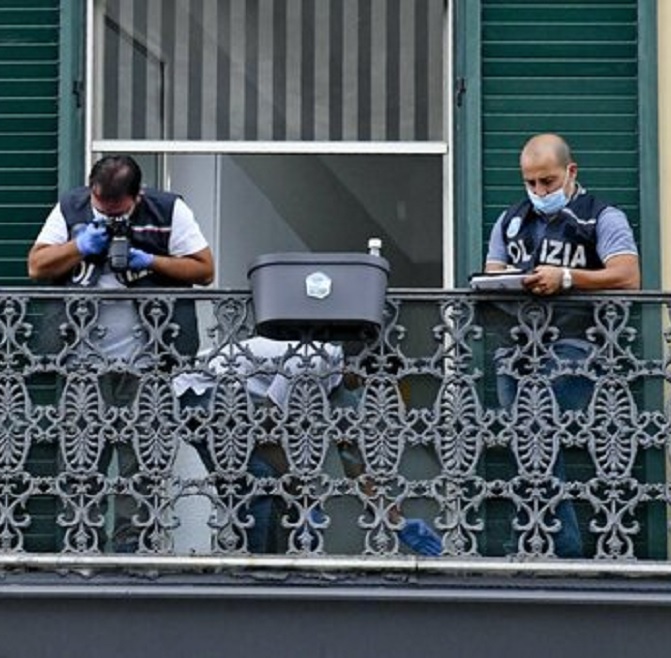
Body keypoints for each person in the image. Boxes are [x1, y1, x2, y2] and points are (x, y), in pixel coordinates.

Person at [28, 154, 214, 552]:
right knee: (80, 462)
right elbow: (37, 266)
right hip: (81, 364)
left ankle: (131, 552)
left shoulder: (169, 210)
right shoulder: (70, 207)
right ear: (91, 190)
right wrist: (79, 246)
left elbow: (204, 269)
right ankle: (82, 548)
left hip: (149, 362)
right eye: (100, 204)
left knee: (142, 466)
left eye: (117, 209)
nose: (107, 213)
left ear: (137, 196)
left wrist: (150, 261)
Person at [484, 133, 641, 557]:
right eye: (531, 183)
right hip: (515, 352)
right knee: (529, 445)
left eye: (548, 182)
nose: (539, 192)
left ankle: (561, 547)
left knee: (538, 429)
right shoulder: (509, 221)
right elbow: (492, 274)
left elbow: (627, 275)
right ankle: (548, 541)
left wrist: (567, 278)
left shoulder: (601, 216)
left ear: (571, 172)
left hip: (578, 347)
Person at [173, 337, 442, 556]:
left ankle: (269, 566)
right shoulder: (314, 361)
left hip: (236, 401)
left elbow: (354, 467)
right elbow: (268, 435)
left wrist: (396, 520)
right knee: (258, 480)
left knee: (273, 489)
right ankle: (247, 572)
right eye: (367, 384)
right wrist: (300, 489)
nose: (365, 393)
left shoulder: (340, 392)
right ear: (354, 368)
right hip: (200, 391)